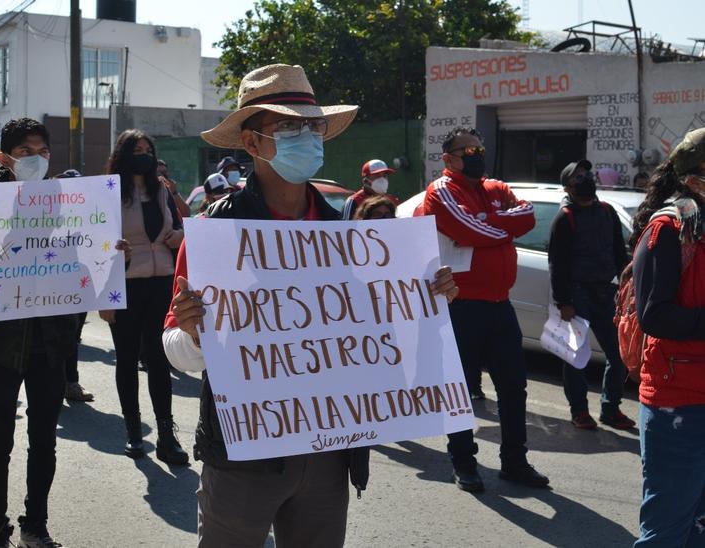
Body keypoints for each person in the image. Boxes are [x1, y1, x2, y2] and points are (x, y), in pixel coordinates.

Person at [161, 63, 458, 547]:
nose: (307, 137)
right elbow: (175, 345)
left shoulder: (343, 228)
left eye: (312, 126)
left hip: (328, 446)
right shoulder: (216, 230)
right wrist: (195, 332)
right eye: (288, 126)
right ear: (252, 143)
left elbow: (370, 327)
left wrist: (426, 299)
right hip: (244, 450)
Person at [0, 118, 129, 548]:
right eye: (26, 153)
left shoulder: (69, 201)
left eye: (44, 152)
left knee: (44, 439)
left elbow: (85, 266)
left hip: (50, 342)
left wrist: (113, 259)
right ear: (5, 157)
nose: (37, 161)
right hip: (3, 343)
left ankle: (35, 525)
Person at [419, 127, 549, 493]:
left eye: (479, 147)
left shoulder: (496, 187)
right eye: (467, 150)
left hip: (499, 305)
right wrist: (497, 228)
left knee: (513, 387)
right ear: (448, 158)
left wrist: (486, 226)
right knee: (459, 390)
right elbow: (467, 228)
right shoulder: (441, 191)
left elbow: (526, 218)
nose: (477, 154)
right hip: (460, 307)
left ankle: (515, 462)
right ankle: (464, 462)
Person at [630, 128, 705, 547]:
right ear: (694, 177)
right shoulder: (668, 229)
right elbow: (654, 316)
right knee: (668, 531)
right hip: (678, 401)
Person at [101, 129, 188, 465]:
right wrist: (106, 296)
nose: (144, 154)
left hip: (161, 282)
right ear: (123, 154)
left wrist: (176, 238)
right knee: (126, 358)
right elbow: (96, 243)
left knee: (157, 359)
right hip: (124, 283)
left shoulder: (163, 191)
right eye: (136, 149)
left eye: (148, 149)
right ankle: (134, 432)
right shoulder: (109, 193)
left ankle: (167, 436)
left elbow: (181, 229)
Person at [548, 160, 634, 430]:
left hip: (605, 293)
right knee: (575, 357)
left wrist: (626, 283)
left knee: (619, 354)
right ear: (568, 187)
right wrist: (564, 302)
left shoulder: (607, 211)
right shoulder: (565, 217)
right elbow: (557, 264)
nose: (585, 178)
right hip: (576, 295)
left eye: (586, 174)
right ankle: (579, 411)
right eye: (577, 177)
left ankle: (610, 409)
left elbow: (620, 253)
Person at [53, 169, 94, 403]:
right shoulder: (48, 215)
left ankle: (70, 383)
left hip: (80, 282)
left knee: (73, 335)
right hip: (54, 285)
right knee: (58, 336)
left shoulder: (88, 215)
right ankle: (57, 384)